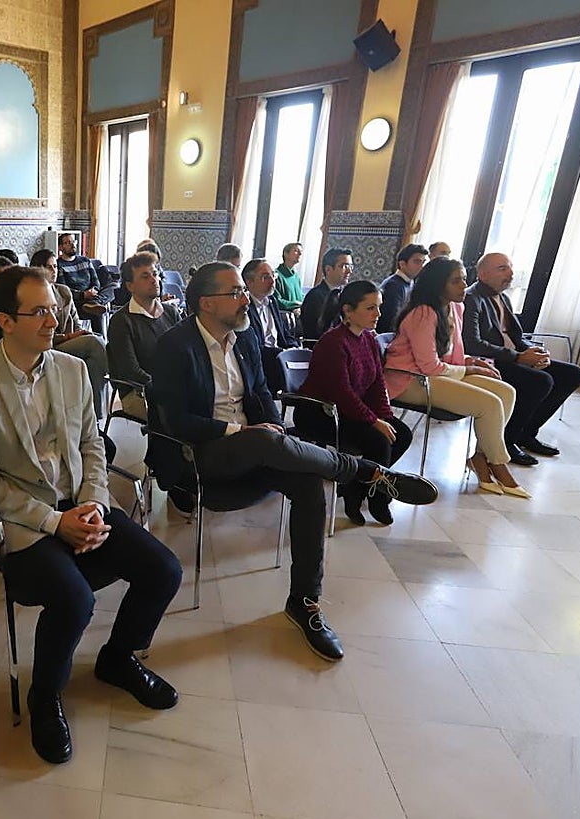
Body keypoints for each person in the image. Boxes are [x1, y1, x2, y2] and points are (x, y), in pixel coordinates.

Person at [0, 266, 182, 765]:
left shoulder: (72, 370)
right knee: (74, 598)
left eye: (55, 307)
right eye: (40, 312)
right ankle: (44, 698)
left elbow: (93, 445)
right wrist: (56, 522)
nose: (54, 320)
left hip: (80, 503)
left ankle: (117, 659)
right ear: (6, 320)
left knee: (164, 569)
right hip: (20, 523)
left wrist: (94, 504)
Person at [150, 262, 439, 661]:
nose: (245, 299)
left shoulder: (244, 336)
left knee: (305, 482)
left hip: (255, 446)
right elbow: (176, 420)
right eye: (235, 292)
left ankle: (305, 602)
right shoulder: (174, 346)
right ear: (206, 303)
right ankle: (363, 471)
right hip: (201, 452)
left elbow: (262, 392)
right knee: (266, 441)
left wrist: (269, 423)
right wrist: (241, 433)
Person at [384, 258, 528, 497]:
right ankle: (499, 465)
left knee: (505, 391)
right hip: (410, 380)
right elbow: (429, 366)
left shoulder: (455, 307)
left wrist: (471, 361)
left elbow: (453, 355)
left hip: (435, 374)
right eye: (456, 280)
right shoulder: (423, 313)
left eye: (463, 278)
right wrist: (469, 371)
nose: (464, 285)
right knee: (489, 403)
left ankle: (481, 458)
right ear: (438, 285)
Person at [295, 281, 413, 525]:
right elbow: (341, 392)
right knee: (378, 440)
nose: (378, 314)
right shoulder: (333, 342)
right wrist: (373, 421)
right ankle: (378, 496)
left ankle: (357, 488)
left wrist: (385, 416)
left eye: (378, 307)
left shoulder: (369, 339)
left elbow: (376, 382)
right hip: (320, 412)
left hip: (347, 410)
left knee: (402, 434)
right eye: (370, 308)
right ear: (348, 310)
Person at [463, 252, 580, 463]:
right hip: (491, 362)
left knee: (573, 374)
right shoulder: (471, 298)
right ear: (483, 274)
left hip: (514, 357)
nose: (510, 273)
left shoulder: (503, 298)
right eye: (502, 269)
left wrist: (536, 353)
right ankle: (507, 441)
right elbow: (473, 344)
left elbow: (517, 337)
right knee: (541, 381)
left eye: (510, 268)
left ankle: (526, 433)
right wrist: (518, 358)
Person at [28, 248, 108, 420]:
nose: (54, 271)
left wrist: (79, 333)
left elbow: (76, 322)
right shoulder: (32, 295)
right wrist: (68, 337)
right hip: (50, 345)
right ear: (37, 269)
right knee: (94, 344)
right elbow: (36, 332)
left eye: (55, 266)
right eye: (49, 267)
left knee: (95, 352)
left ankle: (94, 415)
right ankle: (116, 380)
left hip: (69, 342)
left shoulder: (63, 292)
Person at [105, 251, 182, 421]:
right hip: (139, 391)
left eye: (155, 274)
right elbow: (131, 371)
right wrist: (167, 387)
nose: (154, 280)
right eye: (145, 276)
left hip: (174, 386)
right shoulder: (121, 321)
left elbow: (185, 353)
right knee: (184, 414)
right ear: (130, 286)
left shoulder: (171, 312)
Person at [244, 258, 299, 394]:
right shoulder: (244, 306)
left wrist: (295, 347)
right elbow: (251, 347)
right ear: (249, 282)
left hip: (279, 356)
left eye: (273, 275)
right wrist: (281, 353)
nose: (272, 281)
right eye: (265, 277)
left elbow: (284, 335)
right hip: (261, 361)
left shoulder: (272, 301)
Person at [56, 233, 110, 332]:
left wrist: (94, 290)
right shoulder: (59, 265)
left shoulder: (85, 260)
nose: (72, 245)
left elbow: (96, 280)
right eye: (67, 243)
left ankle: (96, 303)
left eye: (73, 241)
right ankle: (100, 341)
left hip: (93, 296)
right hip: (78, 302)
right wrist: (83, 295)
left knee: (113, 287)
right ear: (60, 247)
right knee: (96, 312)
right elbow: (63, 290)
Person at [300, 248, 353, 340]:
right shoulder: (315, 296)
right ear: (328, 269)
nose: (349, 271)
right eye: (344, 266)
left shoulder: (344, 295)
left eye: (350, 267)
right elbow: (317, 332)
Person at [378, 244, 428, 333]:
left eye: (423, 262)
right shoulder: (394, 286)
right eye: (417, 262)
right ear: (402, 264)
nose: (422, 267)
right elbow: (391, 321)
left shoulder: (410, 282)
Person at [274, 242, 305, 313]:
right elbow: (277, 301)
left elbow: (300, 296)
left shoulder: (296, 276)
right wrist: (296, 305)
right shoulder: (277, 275)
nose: (300, 254)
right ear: (286, 254)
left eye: (301, 252)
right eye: (296, 251)